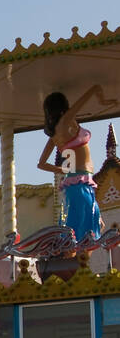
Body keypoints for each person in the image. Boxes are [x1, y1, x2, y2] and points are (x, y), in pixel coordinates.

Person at [38, 84, 120, 243]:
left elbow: (41, 164)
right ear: (63, 106)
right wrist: (102, 98)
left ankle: (80, 264)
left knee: (92, 226)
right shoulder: (66, 120)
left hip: (81, 182)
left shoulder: (55, 134)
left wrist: (63, 170)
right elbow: (92, 91)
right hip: (79, 183)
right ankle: (72, 261)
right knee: (80, 230)